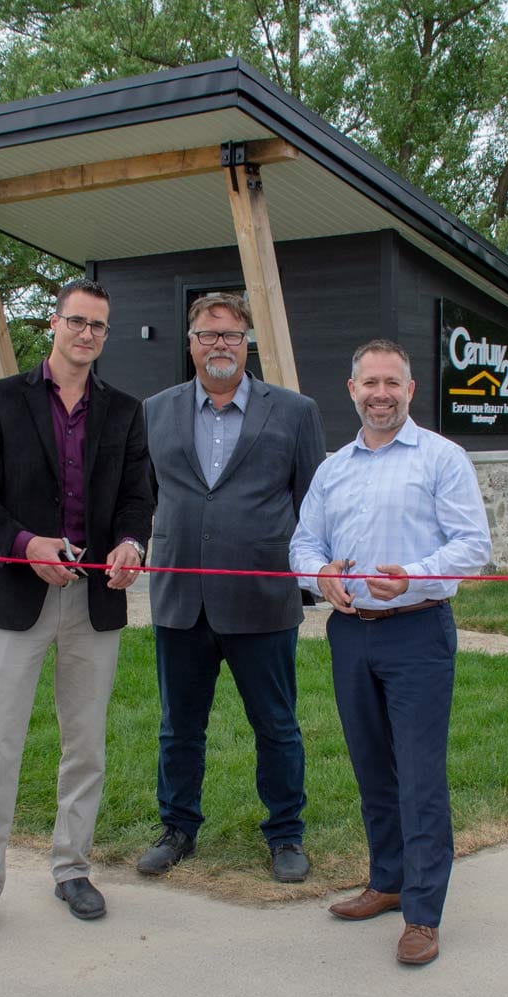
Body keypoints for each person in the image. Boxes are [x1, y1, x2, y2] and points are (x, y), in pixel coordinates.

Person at [0, 279, 153, 944]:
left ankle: (72, 869)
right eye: (76, 322)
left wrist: (130, 544)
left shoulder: (124, 411)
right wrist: (27, 546)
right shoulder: (0, 401)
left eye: (98, 327)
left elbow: (140, 498)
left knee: (85, 745)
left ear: (106, 337)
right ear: (52, 325)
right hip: (19, 598)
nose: (86, 335)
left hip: (94, 601)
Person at [290, 338, 491, 963]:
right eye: (368, 383)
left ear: (411, 390)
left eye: (392, 383)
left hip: (418, 631)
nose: (380, 393)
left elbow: (470, 545)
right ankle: (387, 880)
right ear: (351, 391)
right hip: (350, 634)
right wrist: (319, 576)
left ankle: (423, 913)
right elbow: (303, 542)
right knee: (373, 768)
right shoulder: (332, 467)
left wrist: (414, 575)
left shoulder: (442, 458)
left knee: (420, 777)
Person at [138, 293, 326, 882]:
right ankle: (177, 828)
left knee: (276, 724)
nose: (219, 343)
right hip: (180, 597)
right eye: (207, 333)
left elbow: (314, 505)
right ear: (190, 343)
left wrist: (316, 581)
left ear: (246, 341)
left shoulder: (295, 412)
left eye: (230, 333)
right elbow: (139, 497)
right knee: (178, 726)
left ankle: (286, 834)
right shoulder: (154, 411)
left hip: (261, 598)